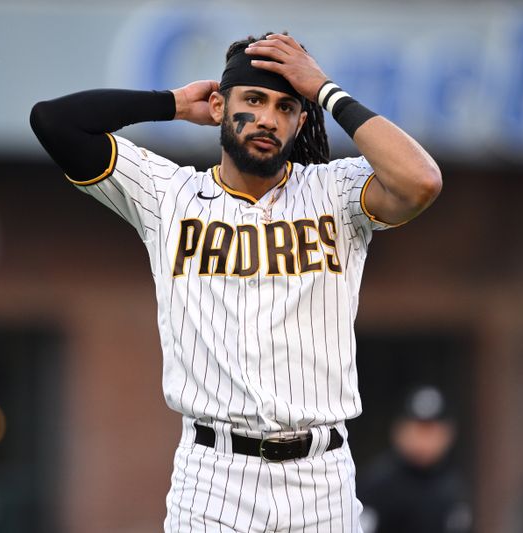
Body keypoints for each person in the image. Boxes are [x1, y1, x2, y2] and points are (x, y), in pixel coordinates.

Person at [30, 32, 442, 532]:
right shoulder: (169, 196)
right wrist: (175, 104)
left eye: (286, 106)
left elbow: (422, 180)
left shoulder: (337, 191)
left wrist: (325, 90)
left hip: (322, 477)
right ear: (220, 106)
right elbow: (54, 121)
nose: (268, 118)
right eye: (253, 100)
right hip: (213, 477)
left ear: (301, 120)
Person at [358, 386, 472, 533]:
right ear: (399, 431)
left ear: (448, 434)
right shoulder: (376, 484)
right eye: (417, 429)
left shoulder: (452, 486)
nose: (423, 440)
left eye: (431, 431)